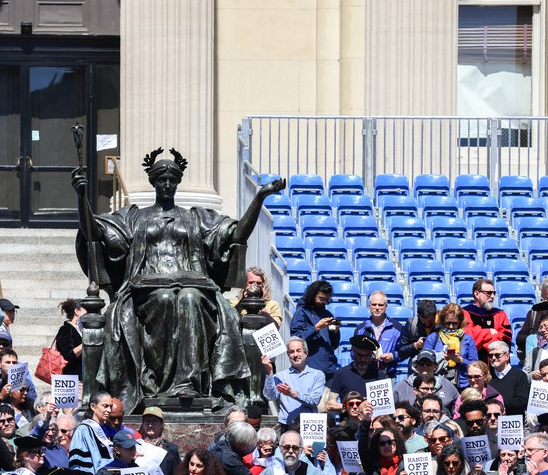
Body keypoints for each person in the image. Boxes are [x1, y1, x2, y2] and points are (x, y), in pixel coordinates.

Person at [72, 152, 281, 409]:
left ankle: (188, 383)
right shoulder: (134, 217)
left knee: (190, 298)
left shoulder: (195, 217)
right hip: (147, 289)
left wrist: (259, 198)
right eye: (162, 180)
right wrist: (81, 197)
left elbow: (236, 234)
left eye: (172, 179)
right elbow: (93, 230)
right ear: (153, 182)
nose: (168, 185)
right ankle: (153, 383)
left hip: (194, 286)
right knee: (164, 297)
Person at [261, 337, 325, 427]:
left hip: (309, 425)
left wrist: (293, 394)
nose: (295, 355)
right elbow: (270, 396)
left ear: (306, 353)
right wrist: (270, 372)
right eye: (291, 352)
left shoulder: (317, 375)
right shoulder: (280, 376)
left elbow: (314, 401)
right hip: (287, 425)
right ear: (288, 355)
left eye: (298, 351)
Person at [69, 392, 118, 475]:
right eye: (105, 406)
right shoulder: (83, 431)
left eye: (110, 406)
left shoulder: (110, 431)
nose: (109, 410)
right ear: (92, 406)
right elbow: (80, 467)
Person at [325, 335, 387, 416]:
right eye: (359, 355)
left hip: (370, 423)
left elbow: (385, 408)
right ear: (353, 352)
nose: (363, 359)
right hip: (348, 424)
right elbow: (330, 404)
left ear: (371, 354)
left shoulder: (379, 375)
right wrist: (350, 407)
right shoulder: (341, 373)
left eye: (367, 356)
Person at [290, 280, 341, 377]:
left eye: (326, 299)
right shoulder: (301, 313)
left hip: (329, 369)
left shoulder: (327, 314)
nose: (324, 302)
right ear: (313, 295)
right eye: (321, 298)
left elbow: (334, 345)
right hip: (309, 369)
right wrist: (317, 327)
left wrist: (335, 331)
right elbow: (297, 340)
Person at [424, 303, 478, 389]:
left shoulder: (467, 339)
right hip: (437, 384)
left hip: (463, 384)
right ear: (442, 321)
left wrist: (460, 360)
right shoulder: (433, 337)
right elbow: (424, 360)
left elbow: (475, 365)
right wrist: (441, 357)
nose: (451, 327)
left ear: (460, 322)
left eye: (455, 323)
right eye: (447, 323)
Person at [462, 279, 512, 362]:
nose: (492, 296)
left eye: (493, 293)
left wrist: (480, 335)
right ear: (477, 294)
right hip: (472, 363)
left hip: (496, 364)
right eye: (488, 293)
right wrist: (489, 333)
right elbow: (469, 340)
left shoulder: (500, 314)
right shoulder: (464, 313)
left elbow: (505, 341)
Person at [356, 291, 404, 376]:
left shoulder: (397, 328)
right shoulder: (361, 329)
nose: (377, 308)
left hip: (388, 375)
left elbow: (403, 351)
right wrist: (365, 356)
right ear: (369, 306)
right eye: (374, 304)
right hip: (365, 375)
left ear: (386, 307)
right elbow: (353, 352)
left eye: (381, 305)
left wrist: (392, 356)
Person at [487, 342, 531, 415]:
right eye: (490, 355)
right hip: (491, 420)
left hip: (512, 420)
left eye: (497, 355)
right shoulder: (487, 376)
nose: (493, 358)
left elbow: (521, 402)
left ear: (507, 356)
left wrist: (497, 402)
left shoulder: (520, 376)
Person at [395, 299, 439, 366]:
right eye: (423, 321)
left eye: (430, 321)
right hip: (418, 367)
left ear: (435, 315)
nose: (427, 324)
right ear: (418, 316)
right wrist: (415, 345)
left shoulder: (443, 324)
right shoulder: (411, 324)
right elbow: (401, 352)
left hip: (438, 365)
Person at [56, 298, 86, 377]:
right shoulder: (66, 329)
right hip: (73, 378)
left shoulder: (81, 329)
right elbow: (68, 355)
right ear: (77, 311)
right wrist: (86, 342)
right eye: (86, 310)